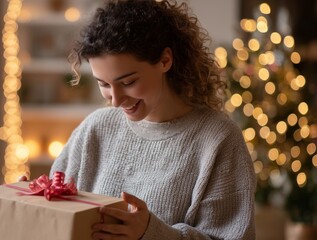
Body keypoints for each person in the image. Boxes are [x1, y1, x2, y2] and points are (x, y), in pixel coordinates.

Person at [49, 0, 256, 239]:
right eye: (104, 84)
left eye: (128, 82)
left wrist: (151, 232)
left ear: (165, 60)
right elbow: (58, 215)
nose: (115, 101)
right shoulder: (95, 128)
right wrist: (33, 199)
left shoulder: (218, 140)